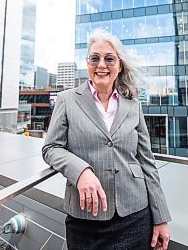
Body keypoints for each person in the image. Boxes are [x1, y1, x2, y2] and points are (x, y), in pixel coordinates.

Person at [42, 29, 172, 249]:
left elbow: (147, 162)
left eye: (109, 59)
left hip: (135, 215)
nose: (101, 64)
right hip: (85, 219)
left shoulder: (133, 105)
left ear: (119, 65)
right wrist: (80, 171)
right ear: (87, 63)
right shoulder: (67, 100)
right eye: (95, 58)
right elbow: (51, 148)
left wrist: (161, 217)